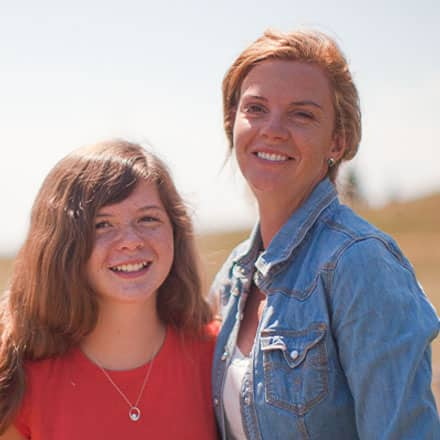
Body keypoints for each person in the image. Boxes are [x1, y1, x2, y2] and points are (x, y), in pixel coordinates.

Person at [209, 29, 440, 439]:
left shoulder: (360, 262)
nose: (273, 129)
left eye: (302, 114)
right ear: (233, 122)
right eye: (256, 108)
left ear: (339, 140)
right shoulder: (230, 280)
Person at [0, 140, 219, 439]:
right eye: (102, 224)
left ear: (175, 231)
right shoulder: (16, 383)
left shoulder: (220, 357)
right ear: (62, 245)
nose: (131, 240)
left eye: (148, 219)